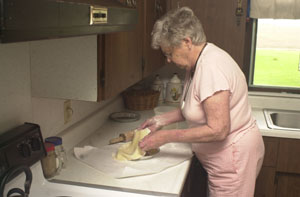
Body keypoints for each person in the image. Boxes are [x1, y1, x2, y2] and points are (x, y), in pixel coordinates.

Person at [138, 6, 265, 197]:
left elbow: (218, 129)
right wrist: (161, 121)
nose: (169, 60)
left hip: (233, 160)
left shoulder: (211, 68)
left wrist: (165, 137)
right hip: (225, 159)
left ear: (187, 42)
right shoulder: (197, 62)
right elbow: (194, 108)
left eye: (170, 53)